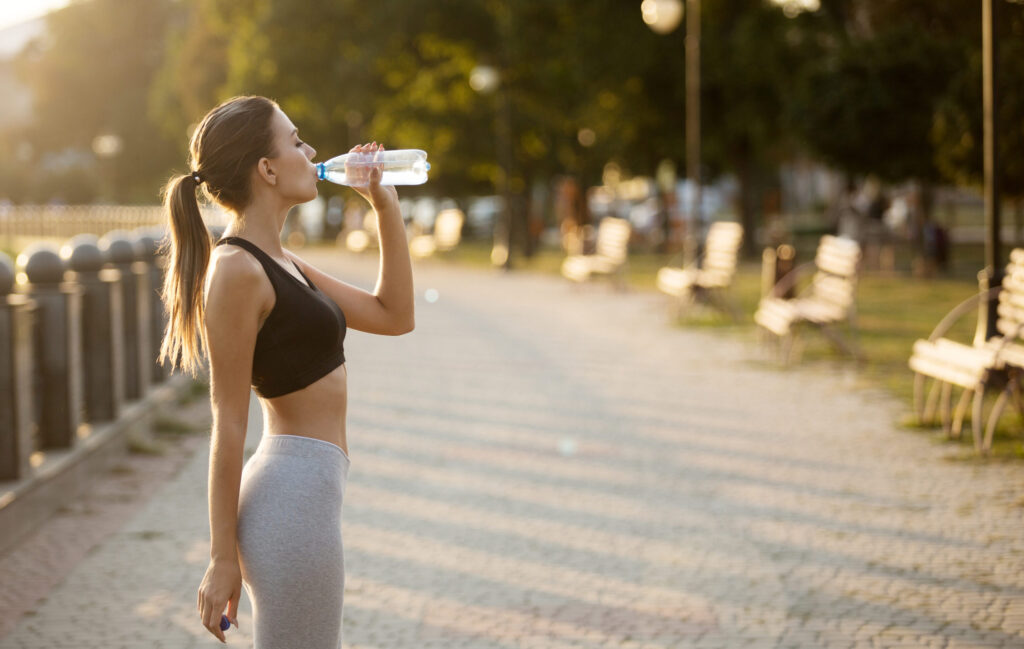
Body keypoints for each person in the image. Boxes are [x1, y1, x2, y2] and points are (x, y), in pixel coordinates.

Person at [155, 95, 414, 647]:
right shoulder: (236, 270)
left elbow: (395, 316)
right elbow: (227, 424)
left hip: (313, 494)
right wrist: (222, 556)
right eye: (296, 140)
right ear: (267, 169)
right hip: (289, 501)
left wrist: (384, 206)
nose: (313, 150)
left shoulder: (282, 262)